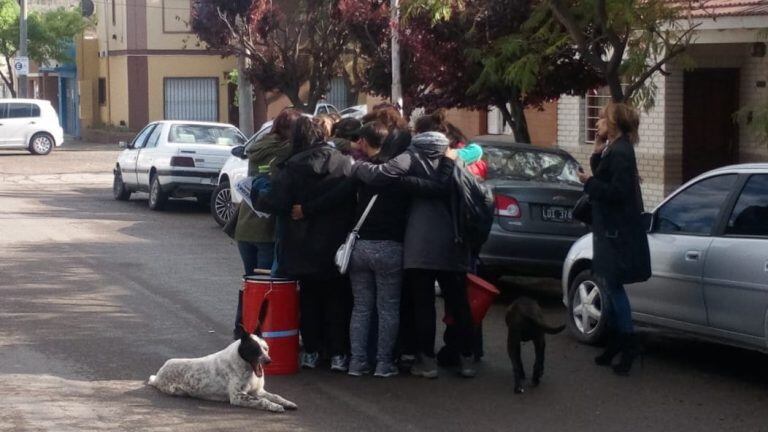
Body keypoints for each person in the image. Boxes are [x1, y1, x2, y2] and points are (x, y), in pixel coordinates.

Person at [352, 129, 476, 379]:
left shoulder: (410, 161)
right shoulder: (456, 161)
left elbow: (382, 175)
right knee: (458, 304)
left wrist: (354, 167)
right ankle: (467, 360)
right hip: (454, 242)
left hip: (418, 245)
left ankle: (426, 361)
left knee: (423, 305)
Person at [298, 121, 410, 378]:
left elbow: (336, 196)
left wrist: (306, 209)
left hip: (360, 247)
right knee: (388, 308)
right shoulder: (403, 175)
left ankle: (357, 362)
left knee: (361, 307)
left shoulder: (362, 172)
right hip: (391, 247)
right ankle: (383, 363)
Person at [254, 116, 355, 372]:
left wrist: (257, 191)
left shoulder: (291, 167)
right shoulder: (343, 163)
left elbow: (275, 202)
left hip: (301, 244)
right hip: (337, 243)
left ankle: (311, 351)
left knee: (309, 299)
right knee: (338, 300)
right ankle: (338, 354)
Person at [576, 102, 651, 376]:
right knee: (608, 283)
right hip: (610, 229)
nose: (597, 122)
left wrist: (587, 183)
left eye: (603, 118)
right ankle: (618, 342)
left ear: (615, 124)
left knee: (613, 284)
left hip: (615, 231)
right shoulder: (615, 149)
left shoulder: (621, 152)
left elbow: (616, 191)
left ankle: (628, 342)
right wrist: (596, 153)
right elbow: (605, 176)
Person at [231, 108, 301, 339]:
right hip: (265, 228)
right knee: (264, 284)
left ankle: (241, 328)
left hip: (245, 225)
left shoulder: (258, 147)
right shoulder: (286, 151)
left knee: (249, 280)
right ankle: (259, 333)